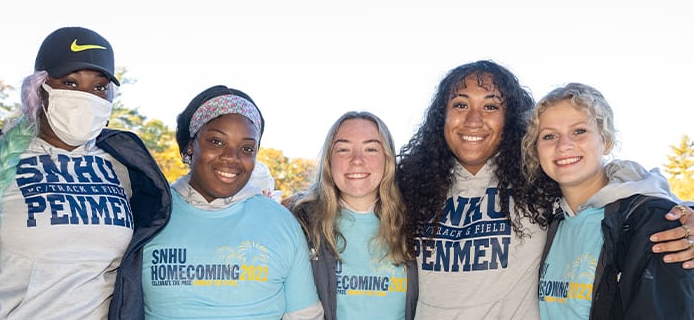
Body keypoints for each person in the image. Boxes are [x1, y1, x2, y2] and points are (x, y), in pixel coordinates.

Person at [394, 60, 694, 319]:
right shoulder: (409, 189)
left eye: (490, 106)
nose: (474, 119)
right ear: (440, 117)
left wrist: (685, 216)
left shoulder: (536, 186)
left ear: (510, 119)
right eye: (460, 104)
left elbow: (615, 187)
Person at [0, 26, 171, 319]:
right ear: (40, 89)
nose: (87, 97)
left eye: (99, 87)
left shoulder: (126, 165)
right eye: (71, 83)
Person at [132, 85, 323, 319]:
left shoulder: (281, 223)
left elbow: (305, 315)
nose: (232, 158)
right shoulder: (149, 214)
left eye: (246, 148)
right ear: (191, 144)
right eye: (217, 142)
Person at [520, 83, 694, 319]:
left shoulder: (649, 222)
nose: (563, 145)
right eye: (549, 136)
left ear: (607, 140)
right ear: (536, 150)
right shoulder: (547, 222)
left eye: (579, 131)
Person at [291, 111, 417, 320]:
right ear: (328, 161)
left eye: (370, 149)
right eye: (343, 149)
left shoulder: (415, 222)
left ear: (387, 159)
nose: (357, 160)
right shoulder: (301, 224)